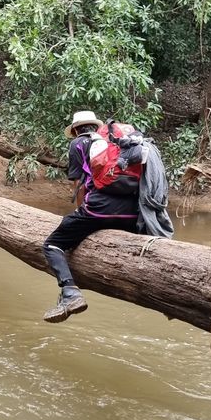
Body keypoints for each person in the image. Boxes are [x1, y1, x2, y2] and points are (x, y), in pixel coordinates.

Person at [43, 108, 172, 323]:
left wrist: (82, 213)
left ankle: (70, 293)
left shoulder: (78, 144)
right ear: (96, 126)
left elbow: (80, 183)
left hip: (99, 210)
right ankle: (167, 298)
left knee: (52, 245)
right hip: (133, 214)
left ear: (75, 131)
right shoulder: (120, 142)